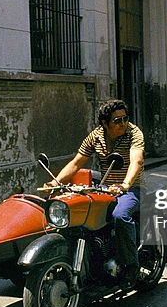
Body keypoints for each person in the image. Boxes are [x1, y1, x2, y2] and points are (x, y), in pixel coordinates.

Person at [45, 99, 145, 283]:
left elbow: (136, 161)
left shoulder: (133, 132)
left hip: (132, 187)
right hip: (105, 188)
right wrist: (56, 182)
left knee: (120, 216)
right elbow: (76, 162)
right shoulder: (95, 136)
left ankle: (131, 266)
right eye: (117, 120)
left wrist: (125, 184)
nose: (123, 123)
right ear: (104, 123)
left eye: (125, 118)